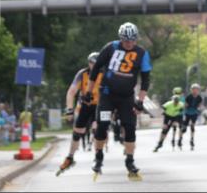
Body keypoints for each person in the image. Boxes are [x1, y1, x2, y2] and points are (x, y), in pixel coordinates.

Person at [85, 22, 152, 180]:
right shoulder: (111, 47)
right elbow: (95, 70)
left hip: (126, 96)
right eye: (125, 40)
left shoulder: (142, 53)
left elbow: (146, 80)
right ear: (120, 38)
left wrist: (140, 101)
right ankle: (99, 158)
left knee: (129, 127)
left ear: (136, 39)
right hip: (108, 94)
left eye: (132, 40)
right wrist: (89, 91)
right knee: (102, 125)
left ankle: (130, 161)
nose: (129, 44)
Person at [56, 52, 101, 176]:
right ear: (89, 64)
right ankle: (70, 157)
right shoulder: (82, 74)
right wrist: (69, 109)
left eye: (97, 64)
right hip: (85, 106)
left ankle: (97, 158)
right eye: (92, 64)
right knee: (77, 134)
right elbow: (71, 92)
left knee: (97, 131)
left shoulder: (104, 74)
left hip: (99, 106)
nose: (95, 66)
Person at [183, 84, 202, 150]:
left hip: (194, 113)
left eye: (196, 90)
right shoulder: (188, 97)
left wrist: (198, 109)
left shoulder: (199, 97)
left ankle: (192, 140)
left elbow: (199, 105)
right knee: (184, 128)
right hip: (188, 113)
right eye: (194, 89)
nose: (195, 91)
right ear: (191, 90)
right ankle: (180, 138)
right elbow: (185, 105)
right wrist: (187, 106)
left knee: (192, 126)